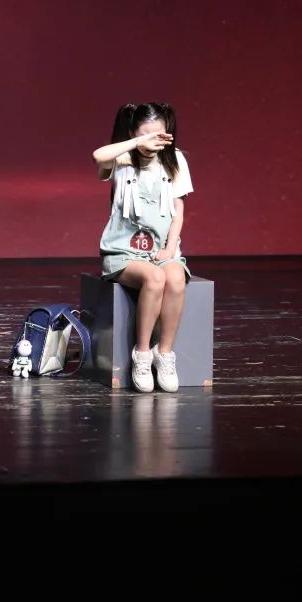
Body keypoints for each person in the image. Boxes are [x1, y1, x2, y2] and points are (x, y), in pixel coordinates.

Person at [92, 102, 194, 393]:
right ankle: (142, 354)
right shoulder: (122, 159)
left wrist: (170, 248)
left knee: (175, 278)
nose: (152, 142)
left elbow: (178, 211)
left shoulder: (175, 160)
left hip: (162, 249)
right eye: (145, 135)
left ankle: (165, 353)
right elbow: (98, 156)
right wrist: (137, 143)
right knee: (154, 278)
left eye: (158, 135)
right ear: (134, 134)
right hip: (123, 251)